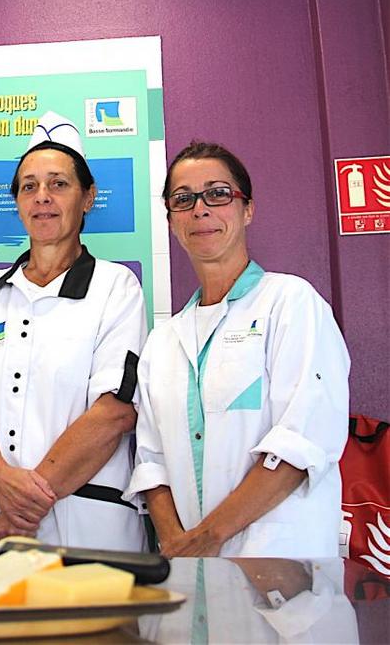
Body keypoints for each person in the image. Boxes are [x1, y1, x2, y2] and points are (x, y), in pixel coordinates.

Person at [0, 112, 148, 550]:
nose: (42, 197)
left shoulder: (115, 288)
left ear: (88, 198)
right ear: (17, 201)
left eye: (58, 184)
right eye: (29, 186)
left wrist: (23, 503)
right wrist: (1, 485)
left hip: (88, 527)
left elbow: (115, 411)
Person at [125, 141, 349, 558]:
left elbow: (301, 442)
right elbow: (152, 463)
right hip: (189, 568)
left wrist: (205, 539)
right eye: (183, 199)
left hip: (280, 568)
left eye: (218, 193)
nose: (200, 209)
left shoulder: (292, 303)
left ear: (247, 209)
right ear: (172, 220)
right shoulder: (162, 343)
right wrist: (177, 544)